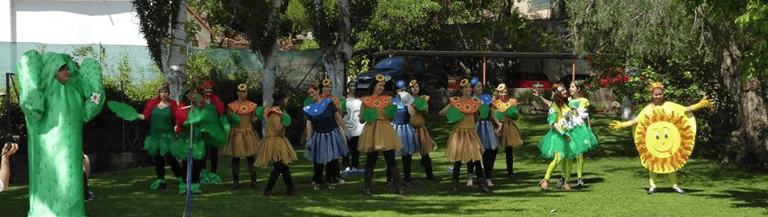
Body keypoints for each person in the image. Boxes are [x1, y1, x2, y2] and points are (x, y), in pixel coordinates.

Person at [17, 51, 105, 216]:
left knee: (69, 185)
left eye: (69, 68)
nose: (67, 71)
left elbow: (92, 104)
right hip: (45, 158)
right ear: (52, 70)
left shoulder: (74, 95)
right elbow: (32, 105)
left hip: (70, 158)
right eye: (62, 68)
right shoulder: (42, 95)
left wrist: (94, 83)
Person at [609, 82, 712, 194]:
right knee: (653, 162)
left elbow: (685, 110)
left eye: (660, 94)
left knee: (672, 162)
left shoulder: (670, 105)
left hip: (670, 141)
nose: (658, 97)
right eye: (656, 94)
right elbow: (637, 121)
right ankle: (652, 186)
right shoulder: (647, 109)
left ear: (663, 94)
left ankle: (675, 186)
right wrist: (622, 125)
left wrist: (700, 105)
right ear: (652, 95)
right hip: (653, 142)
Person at [439, 78, 493, 194]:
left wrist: (481, 113)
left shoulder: (475, 102)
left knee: (477, 159)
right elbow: (442, 112)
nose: (468, 89)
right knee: (458, 160)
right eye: (466, 88)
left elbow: (476, 118)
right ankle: (455, 185)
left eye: (469, 87)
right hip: (460, 133)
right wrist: (456, 114)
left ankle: (481, 184)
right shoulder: (456, 101)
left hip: (471, 132)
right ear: (462, 90)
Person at [535, 83, 590, 191]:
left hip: (570, 133)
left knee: (569, 158)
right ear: (557, 93)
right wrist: (562, 133)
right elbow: (553, 122)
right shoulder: (554, 106)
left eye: (566, 90)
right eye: (563, 90)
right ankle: (546, 179)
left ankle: (567, 183)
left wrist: (575, 114)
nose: (566, 92)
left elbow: (571, 117)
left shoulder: (568, 104)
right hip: (559, 135)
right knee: (558, 158)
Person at [171, 88, 227, 194]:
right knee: (186, 162)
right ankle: (184, 184)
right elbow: (181, 123)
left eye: (196, 93)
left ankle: (195, 184)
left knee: (198, 161)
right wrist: (191, 122)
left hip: (197, 138)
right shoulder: (183, 107)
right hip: (186, 139)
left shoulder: (199, 108)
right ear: (187, 95)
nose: (194, 95)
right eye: (192, 93)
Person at [358, 74, 405, 196]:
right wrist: (367, 115)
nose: (382, 88)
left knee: (391, 159)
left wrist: (391, 113)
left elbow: (391, 117)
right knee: (370, 160)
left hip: (385, 130)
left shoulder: (387, 99)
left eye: (383, 86)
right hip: (372, 131)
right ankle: (367, 188)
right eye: (380, 85)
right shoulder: (366, 100)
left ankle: (399, 187)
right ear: (374, 86)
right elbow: (361, 119)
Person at [139, 84, 184, 190]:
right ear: (159, 94)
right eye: (162, 92)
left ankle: (180, 179)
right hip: (155, 137)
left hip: (168, 137)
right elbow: (145, 116)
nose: (163, 94)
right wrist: (132, 115)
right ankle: (161, 181)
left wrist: (177, 131)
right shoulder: (152, 104)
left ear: (168, 93)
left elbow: (178, 119)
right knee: (158, 159)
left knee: (171, 159)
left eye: (165, 92)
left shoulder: (172, 105)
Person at [304, 84, 349, 190]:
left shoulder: (328, 103)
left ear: (318, 91)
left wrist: (345, 131)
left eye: (313, 92)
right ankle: (317, 182)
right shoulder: (309, 109)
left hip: (332, 134)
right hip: (319, 135)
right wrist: (308, 138)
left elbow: (338, 117)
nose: (311, 94)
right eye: (309, 93)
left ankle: (329, 182)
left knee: (331, 158)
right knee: (318, 159)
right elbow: (309, 125)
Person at [258, 90, 298, 196]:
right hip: (276, 141)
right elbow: (277, 128)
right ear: (281, 100)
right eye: (285, 99)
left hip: (277, 140)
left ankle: (290, 189)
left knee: (283, 167)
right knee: (279, 167)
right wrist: (285, 123)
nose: (287, 101)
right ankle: (269, 189)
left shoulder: (274, 111)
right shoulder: (276, 113)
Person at [224, 84, 260, 189]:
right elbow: (228, 120)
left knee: (250, 157)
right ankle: (236, 182)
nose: (245, 94)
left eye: (246, 92)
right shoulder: (232, 106)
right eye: (243, 92)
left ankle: (254, 181)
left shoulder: (251, 105)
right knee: (236, 158)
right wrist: (232, 116)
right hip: (236, 132)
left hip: (248, 132)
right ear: (238, 93)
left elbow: (253, 119)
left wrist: (257, 117)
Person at [470, 78, 502, 187]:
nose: (480, 88)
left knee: (491, 151)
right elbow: (473, 117)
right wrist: (481, 115)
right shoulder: (471, 100)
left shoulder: (486, 98)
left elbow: (492, 112)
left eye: (480, 86)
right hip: (476, 126)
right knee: (475, 152)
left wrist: (498, 123)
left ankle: (488, 177)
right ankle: (471, 177)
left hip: (487, 126)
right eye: (477, 87)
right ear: (473, 89)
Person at [567, 80, 599, 187]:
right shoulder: (567, 100)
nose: (570, 89)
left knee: (579, 154)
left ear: (578, 89)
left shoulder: (583, 100)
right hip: (569, 129)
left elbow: (581, 113)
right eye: (570, 87)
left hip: (579, 129)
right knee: (568, 154)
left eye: (573, 87)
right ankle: (565, 177)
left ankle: (579, 177)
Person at [389, 80, 419, 187]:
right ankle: (390, 179)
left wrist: (409, 103)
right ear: (396, 91)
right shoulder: (391, 101)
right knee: (391, 155)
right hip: (394, 128)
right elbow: (389, 116)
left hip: (406, 128)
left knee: (407, 156)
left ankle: (407, 178)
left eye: (404, 90)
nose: (402, 92)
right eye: (400, 90)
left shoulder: (408, 100)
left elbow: (413, 113)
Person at [409, 80, 438, 182]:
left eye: (417, 86)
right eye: (413, 87)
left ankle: (430, 174)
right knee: (408, 154)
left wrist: (422, 107)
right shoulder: (407, 99)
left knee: (425, 152)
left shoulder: (423, 99)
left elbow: (426, 113)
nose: (415, 88)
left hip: (421, 129)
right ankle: (407, 176)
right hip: (410, 129)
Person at [493, 83, 523, 181]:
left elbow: (515, 115)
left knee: (509, 150)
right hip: (499, 126)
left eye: (505, 92)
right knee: (494, 149)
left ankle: (510, 172)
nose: (504, 94)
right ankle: (489, 171)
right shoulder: (495, 103)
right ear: (498, 93)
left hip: (509, 127)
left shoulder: (512, 101)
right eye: (502, 93)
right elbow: (492, 114)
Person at [200, 79, 226, 184]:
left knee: (214, 153)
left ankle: (214, 174)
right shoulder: (199, 101)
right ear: (203, 89)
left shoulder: (215, 100)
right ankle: (203, 174)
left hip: (214, 130)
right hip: (204, 131)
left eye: (210, 88)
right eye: (207, 88)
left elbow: (221, 112)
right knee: (203, 153)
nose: (209, 90)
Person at [342, 82, 363, 174]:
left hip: (356, 127)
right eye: (351, 86)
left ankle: (355, 165)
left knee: (355, 147)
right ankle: (346, 165)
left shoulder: (359, 101)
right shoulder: (344, 101)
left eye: (354, 86)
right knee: (345, 147)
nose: (353, 88)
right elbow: (341, 115)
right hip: (346, 126)